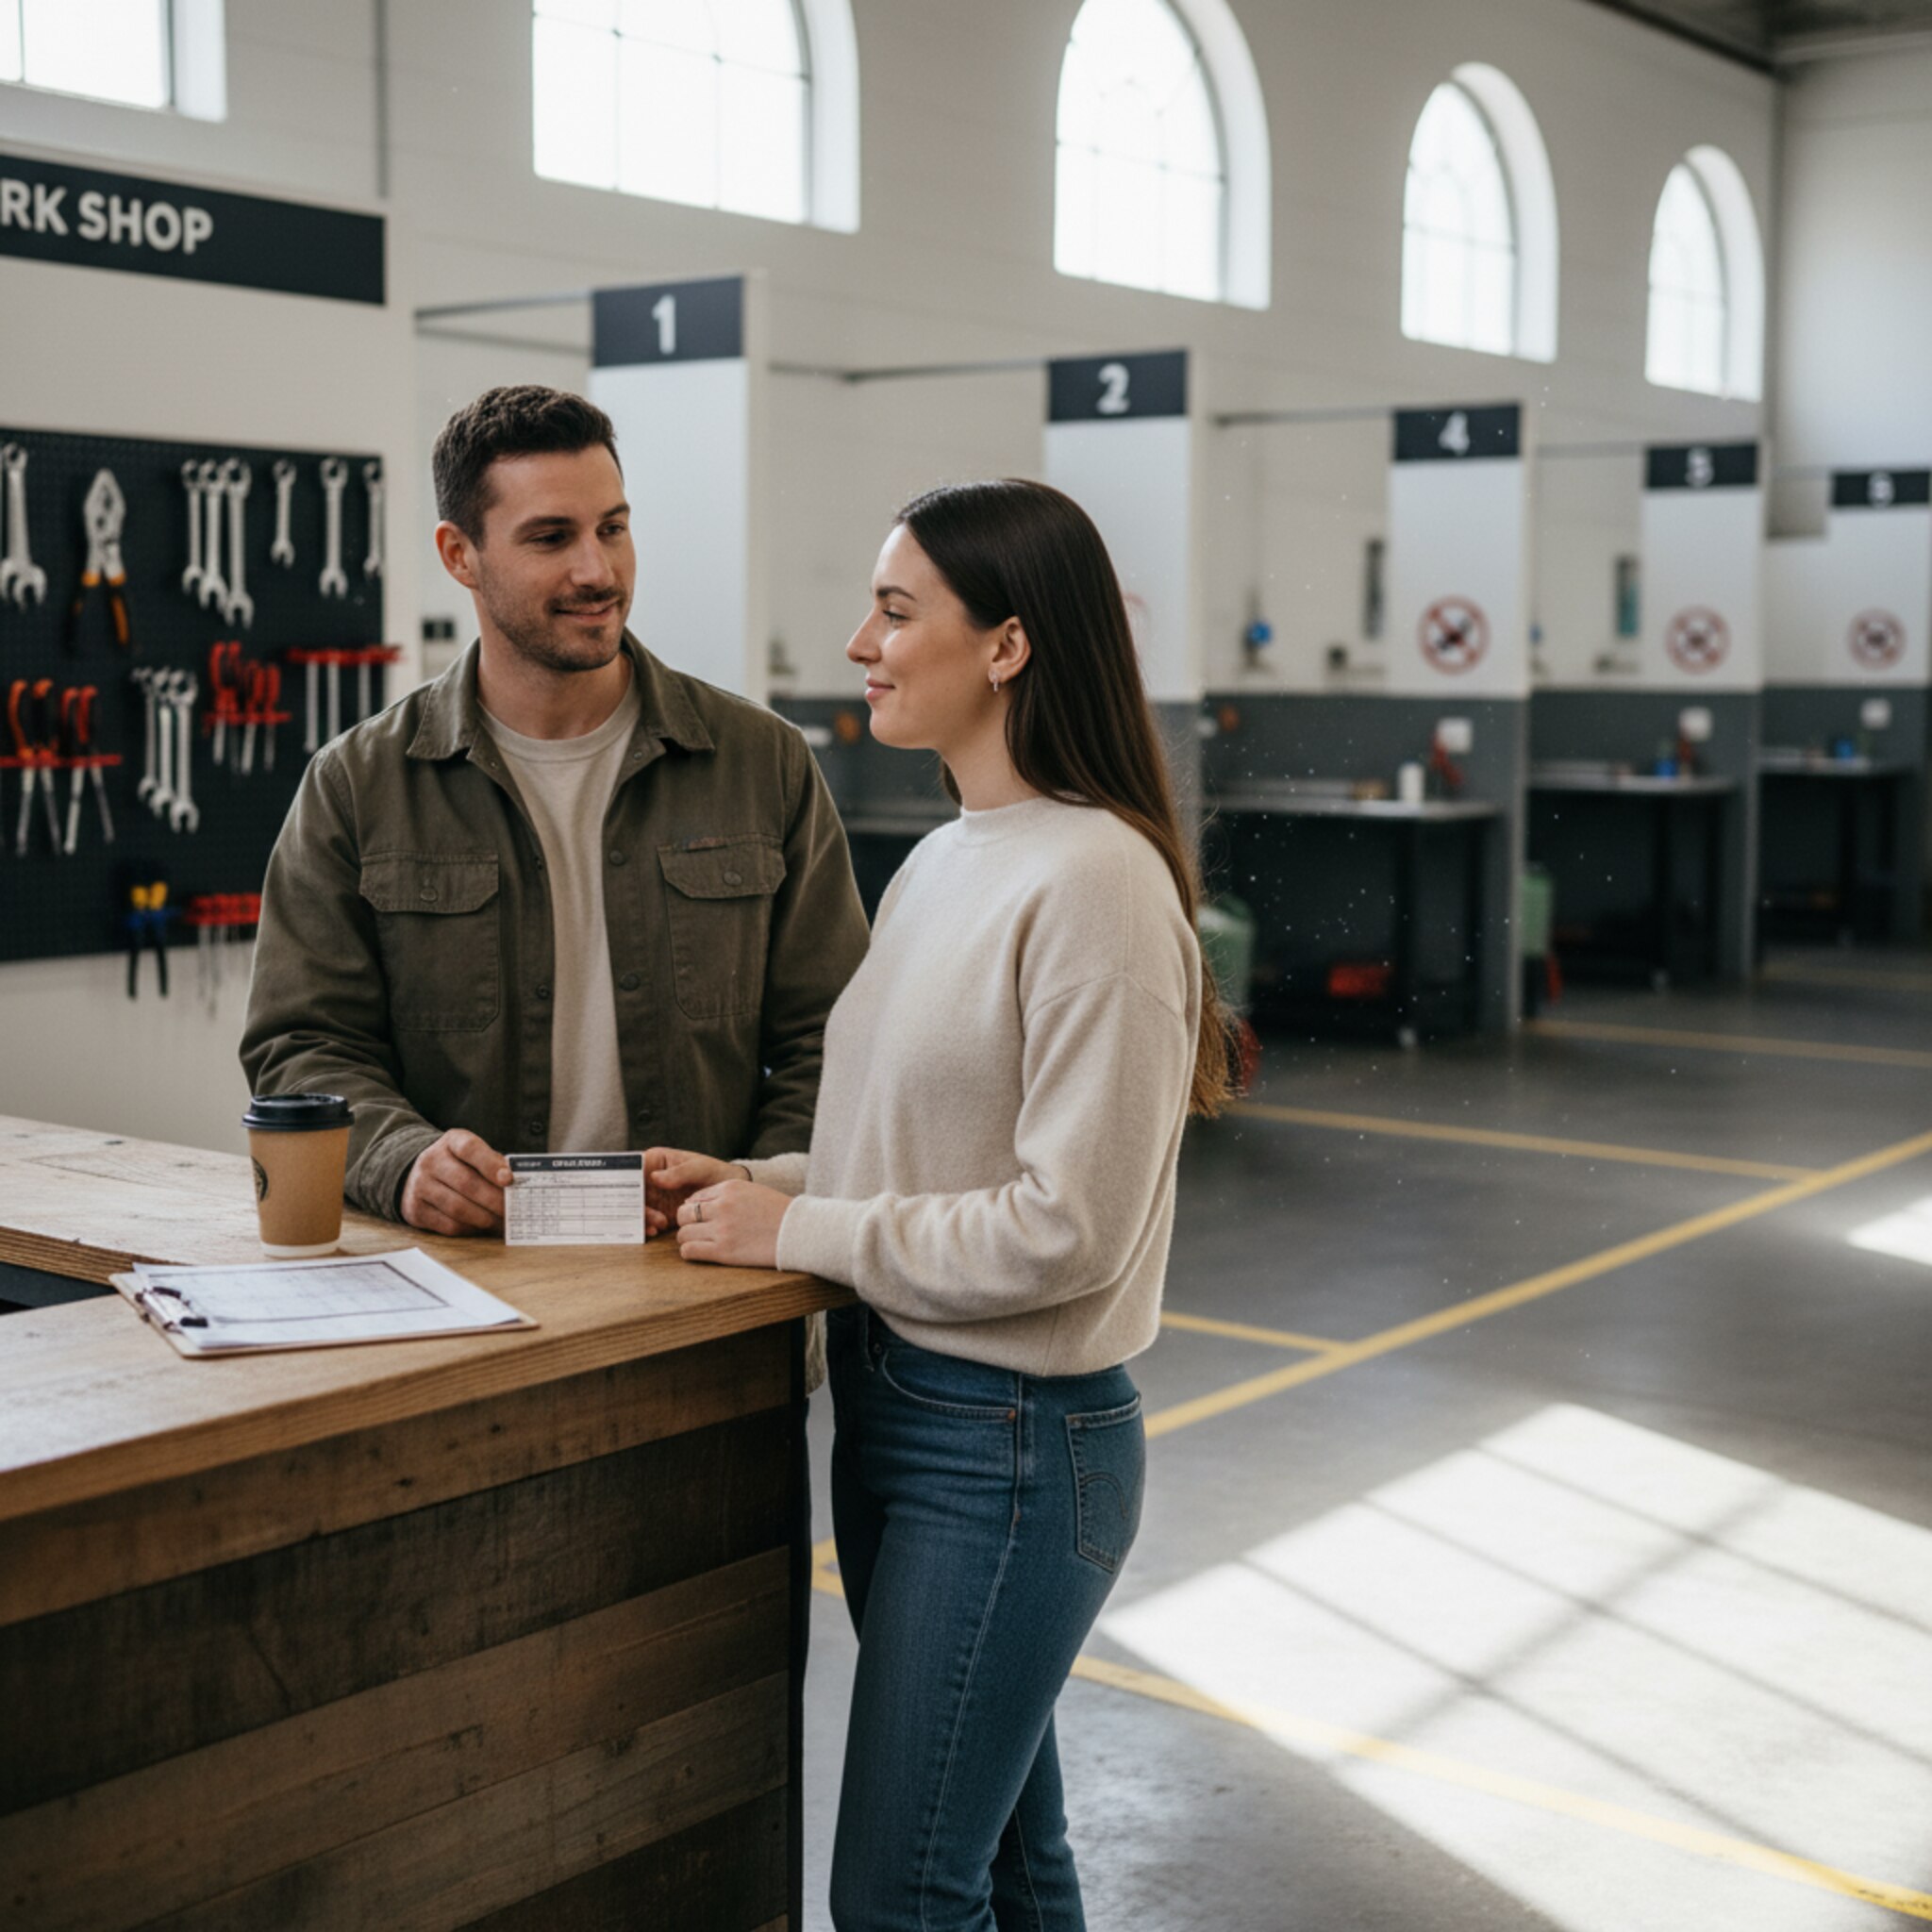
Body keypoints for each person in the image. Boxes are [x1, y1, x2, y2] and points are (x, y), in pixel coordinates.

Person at [647, 478, 1230, 1932]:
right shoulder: (940, 862)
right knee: (1009, 1872)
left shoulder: (1098, 881)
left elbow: (1063, 1230)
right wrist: (763, 1184)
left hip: (1012, 1449)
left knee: (902, 1899)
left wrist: (803, 1235)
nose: (861, 640)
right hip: (907, 1411)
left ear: (1011, 646)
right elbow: (903, 1155)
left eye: (897, 611)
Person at [242, 384, 868, 1233]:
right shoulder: (358, 785)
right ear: (460, 555)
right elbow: (302, 1044)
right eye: (551, 537)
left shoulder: (762, 763)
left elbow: (835, 1036)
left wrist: (755, 1182)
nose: (597, 571)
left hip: (710, 1275)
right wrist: (400, 1162)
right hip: (462, 1276)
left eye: (612, 527)